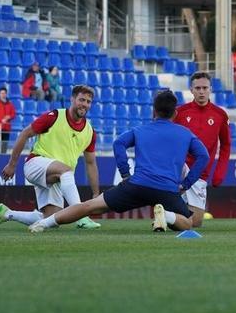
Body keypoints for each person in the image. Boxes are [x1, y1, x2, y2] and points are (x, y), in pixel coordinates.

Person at [27, 90, 210, 234]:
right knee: (188, 222)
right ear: (175, 112)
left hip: (136, 185)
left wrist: (125, 174)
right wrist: (186, 184)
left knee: (89, 207)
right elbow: (204, 157)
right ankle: (167, 215)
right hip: (167, 190)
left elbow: (119, 143)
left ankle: (43, 223)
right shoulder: (185, 134)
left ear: (154, 111)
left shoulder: (140, 130)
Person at [0, 85, 101, 230]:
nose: (85, 104)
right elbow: (25, 133)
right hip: (35, 164)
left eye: (88, 101)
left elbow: (91, 163)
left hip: (56, 177)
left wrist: (96, 193)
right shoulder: (54, 116)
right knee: (66, 171)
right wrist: (12, 164)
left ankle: (7, 214)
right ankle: (81, 217)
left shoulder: (90, 132)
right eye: (81, 100)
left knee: (53, 219)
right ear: (72, 99)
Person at [174, 72, 231, 227]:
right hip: (180, 167)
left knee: (196, 222)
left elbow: (226, 145)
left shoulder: (220, 115)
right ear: (191, 90)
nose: (201, 91)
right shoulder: (180, 112)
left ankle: (167, 217)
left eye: (204, 88)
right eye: (197, 88)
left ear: (210, 89)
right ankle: (166, 210)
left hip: (201, 173)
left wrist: (220, 172)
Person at [0, 87, 16, 154]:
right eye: (2, 93)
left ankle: (3, 156)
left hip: (7, 127)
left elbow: (13, 114)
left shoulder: (10, 104)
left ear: (6, 94)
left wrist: (9, 117)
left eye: (4, 93)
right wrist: (1, 120)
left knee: (5, 145)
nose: (3, 94)